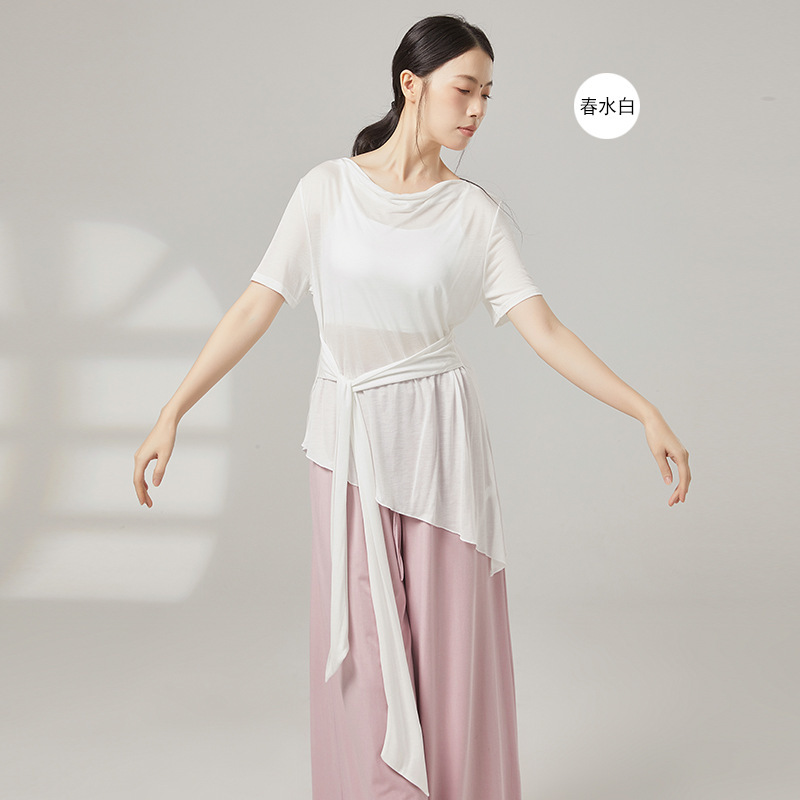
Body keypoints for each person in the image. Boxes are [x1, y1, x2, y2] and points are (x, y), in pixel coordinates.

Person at [133, 13, 690, 800]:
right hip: (347, 441)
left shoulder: (475, 214)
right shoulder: (326, 190)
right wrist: (173, 411)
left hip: (440, 448)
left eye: (488, 94)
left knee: (447, 658)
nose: (478, 110)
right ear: (411, 85)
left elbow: (545, 330)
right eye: (465, 89)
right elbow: (257, 304)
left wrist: (643, 410)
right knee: (362, 658)